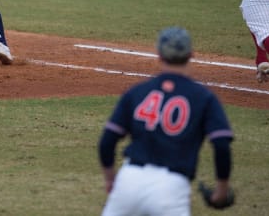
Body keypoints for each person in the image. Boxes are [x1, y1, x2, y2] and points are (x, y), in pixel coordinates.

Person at [98, 27, 234, 216]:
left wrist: (111, 180)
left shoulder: (138, 91)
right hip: (171, 189)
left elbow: (106, 142)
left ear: (159, 55)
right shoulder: (204, 97)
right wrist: (221, 190)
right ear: (190, 55)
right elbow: (221, 145)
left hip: (129, 180)